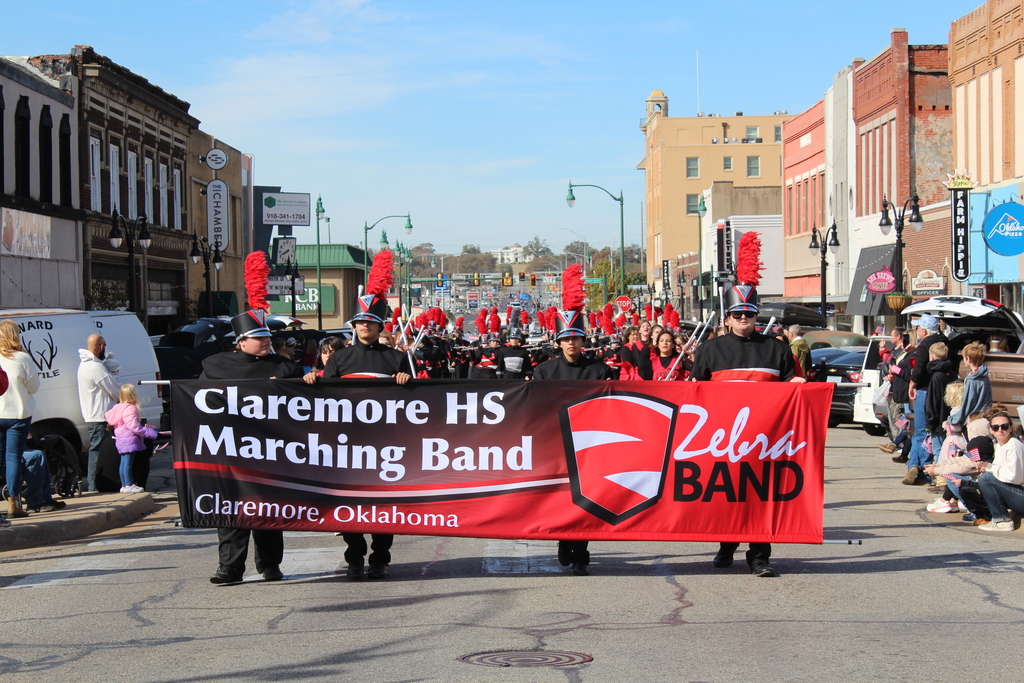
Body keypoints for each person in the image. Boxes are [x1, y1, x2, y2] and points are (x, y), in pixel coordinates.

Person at [304, 262, 412, 581]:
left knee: (382, 506)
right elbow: (323, 399)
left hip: (385, 443)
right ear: (354, 326)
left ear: (380, 326)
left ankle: (380, 558)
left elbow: (417, 403)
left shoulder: (395, 359)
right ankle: (354, 556)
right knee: (348, 504)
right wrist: (312, 380)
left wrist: (407, 381)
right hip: (346, 443)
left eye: (371, 322)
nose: (365, 326)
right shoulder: (340, 359)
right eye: (361, 322)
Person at [690, 284, 805, 577]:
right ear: (727, 318)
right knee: (727, 496)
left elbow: (792, 382)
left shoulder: (776, 348)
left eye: (749, 314)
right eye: (738, 314)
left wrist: (797, 385)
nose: (744, 319)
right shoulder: (708, 351)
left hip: (765, 439)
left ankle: (759, 557)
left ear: (756, 317)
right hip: (721, 440)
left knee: (760, 498)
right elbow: (694, 395)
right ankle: (727, 545)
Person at [201, 310, 305, 585]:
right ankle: (230, 567)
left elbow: (305, 406)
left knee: (269, 507)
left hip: (271, 450)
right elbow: (198, 402)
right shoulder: (215, 365)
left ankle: (270, 564)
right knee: (232, 508)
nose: (266, 341)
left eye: (268, 336)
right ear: (241, 341)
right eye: (259, 337)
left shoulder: (285, 368)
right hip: (230, 447)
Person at [533, 302, 613, 576]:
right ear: (558, 342)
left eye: (575, 338)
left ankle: (581, 554)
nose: (571, 343)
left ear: (582, 340)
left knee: (586, 501)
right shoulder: (544, 371)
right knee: (561, 500)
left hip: (590, 444)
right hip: (555, 444)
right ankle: (565, 541)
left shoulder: (599, 370)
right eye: (566, 338)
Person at [0, 319, 40, 520]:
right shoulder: (23, 358)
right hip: (18, 414)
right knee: (13, 456)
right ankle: (12, 501)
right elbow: (34, 387)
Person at [906, 314, 947, 487]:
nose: (916, 330)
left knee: (921, 432)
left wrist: (912, 384)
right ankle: (924, 468)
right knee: (936, 432)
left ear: (924, 330)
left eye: (918, 328)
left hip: (924, 391)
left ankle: (917, 468)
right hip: (942, 391)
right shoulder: (945, 342)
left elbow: (919, 367)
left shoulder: (924, 347)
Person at [77, 334, 121, 492]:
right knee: (99, 451)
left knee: (98, 450)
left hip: (96, 415)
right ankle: (94, 486)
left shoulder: (85, 365)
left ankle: (97, 484)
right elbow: (113, 389)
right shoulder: (95, 367)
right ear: (102, 346)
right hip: (100, 416)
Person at [975, 410, 1024, 531]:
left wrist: (989, 468)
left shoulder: (1013, 444)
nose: (1000, 430)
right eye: (996, 427)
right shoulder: (999, 445)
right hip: (1017, 494)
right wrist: (986, 468)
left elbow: (1015, 478)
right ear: (991, 430)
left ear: (1010, 428)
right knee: (983, 478)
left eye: (1004, 426)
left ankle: (1002, 520)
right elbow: (997, 470)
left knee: (986, 478)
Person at [105, 384, 158, 493]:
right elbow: (135, 427)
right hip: (130, 438)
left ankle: (124, 485)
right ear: (132, 395)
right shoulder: (130, 409)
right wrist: (151, 433)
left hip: (121, 438)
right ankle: (129, 484)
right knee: (128, 463)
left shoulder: (117, 408)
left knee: (123, 462)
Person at [947, 342, 992, 431]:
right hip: (984, 417)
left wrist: (953, 419)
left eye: (964, 357)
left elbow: (968, 404)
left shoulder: (972, 379)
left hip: (972, 420)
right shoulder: (984, 376)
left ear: (968, 359)